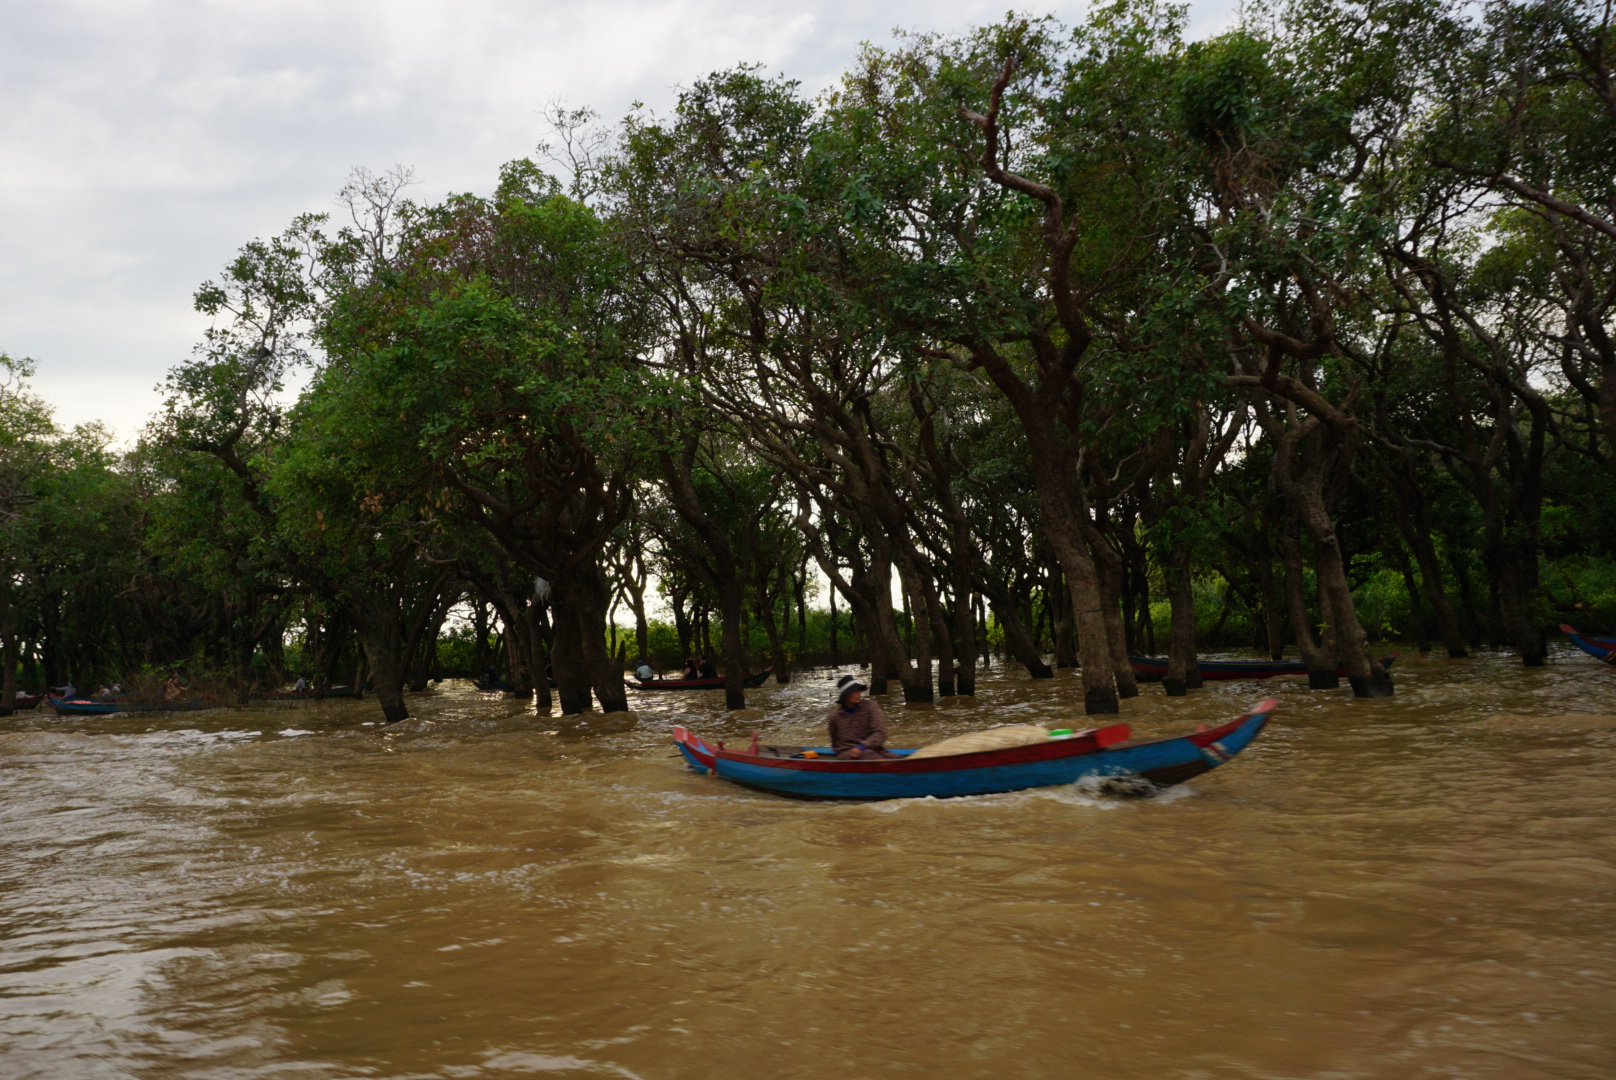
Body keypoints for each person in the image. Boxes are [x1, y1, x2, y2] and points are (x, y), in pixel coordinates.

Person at [827, 675, 896, 759]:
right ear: (846, 696)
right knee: (869, 755)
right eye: (854, 691)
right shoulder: (835, 717)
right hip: (848, 754)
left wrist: (862, 746)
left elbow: (880, 732)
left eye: (859, 690)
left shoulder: (870, 707)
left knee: (892, 757)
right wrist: (851, 751)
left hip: (872, 749)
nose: (859, 693)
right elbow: (835, 743)